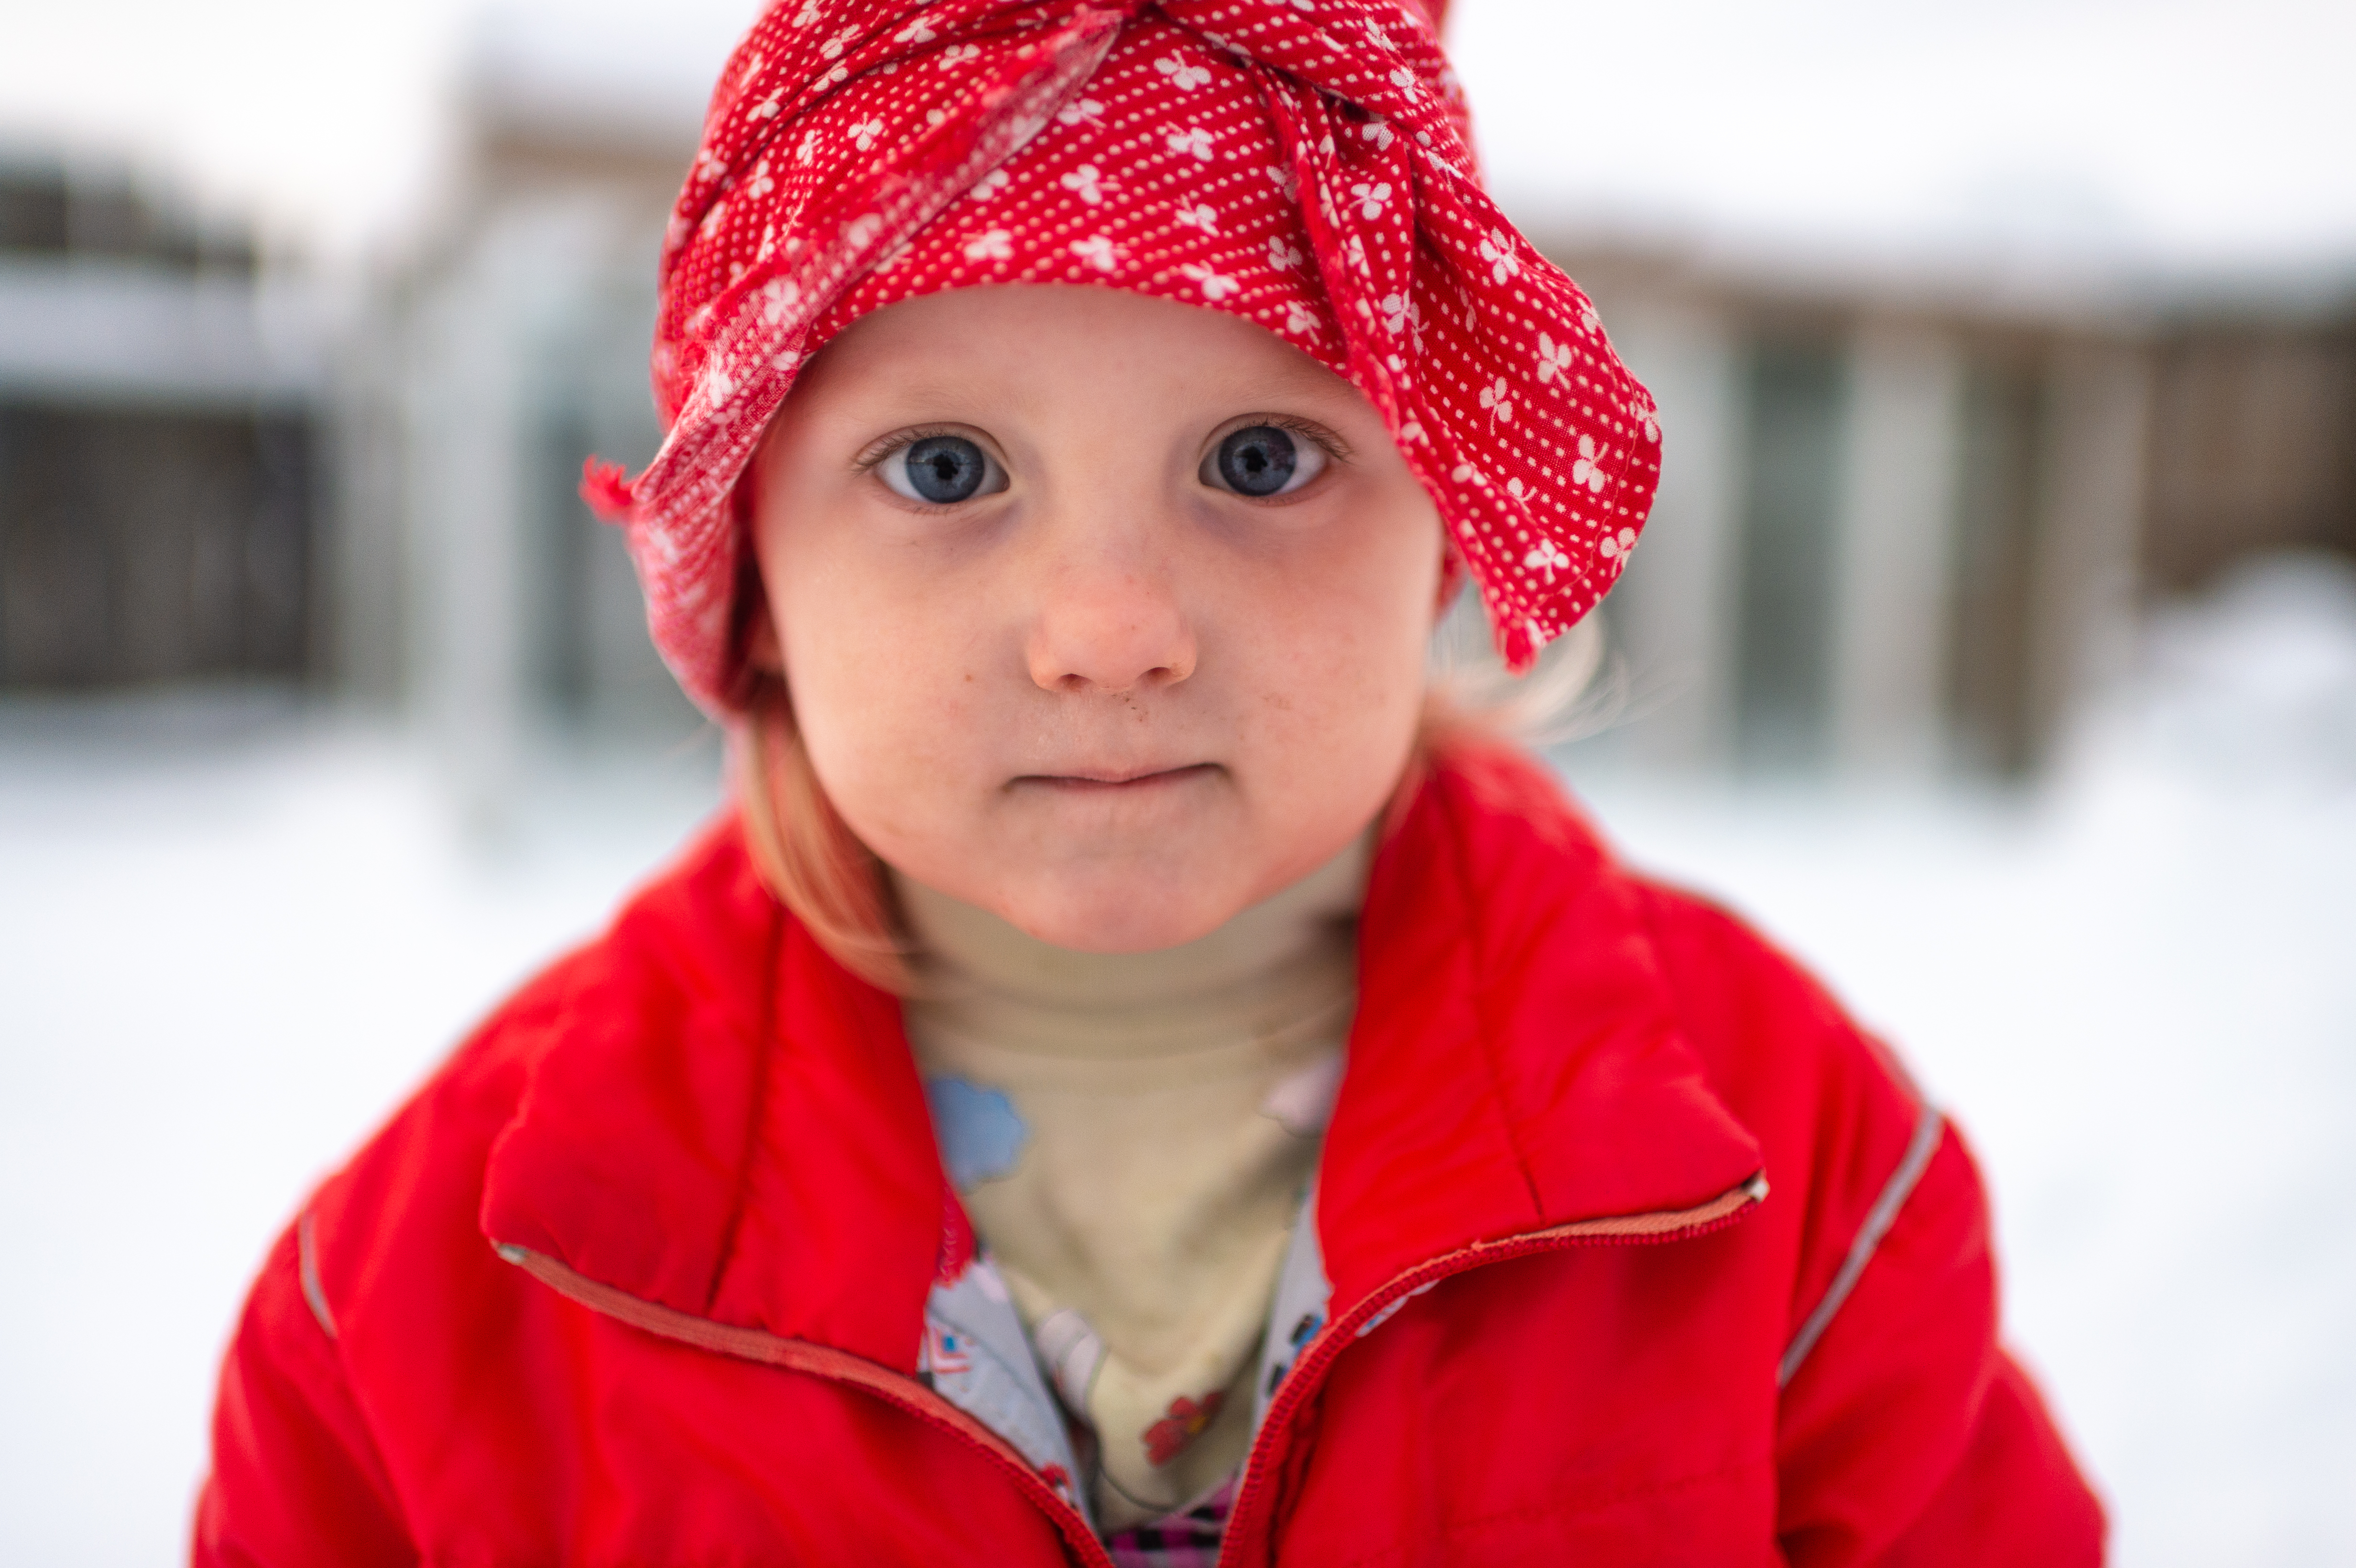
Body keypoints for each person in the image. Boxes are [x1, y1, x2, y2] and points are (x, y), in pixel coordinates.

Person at [196, 1, 2105, 1563]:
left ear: (1432, 538)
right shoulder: (434, 1298)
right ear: (750, 570)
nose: (1109, 629)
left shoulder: (1786, 1174)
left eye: (1259, 461)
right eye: (946, 470)